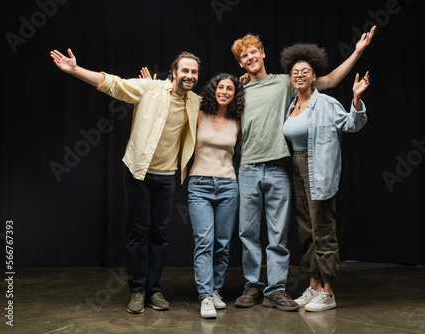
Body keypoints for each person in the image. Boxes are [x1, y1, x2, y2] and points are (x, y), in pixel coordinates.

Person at [230, 27, 375, 312]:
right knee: (282, 232)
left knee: (294, 233)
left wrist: (357, 52)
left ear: (263, 53)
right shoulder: (251, 90)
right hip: (266, 168)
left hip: (292, 167)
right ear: (240, 63)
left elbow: (332, 80)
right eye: (243, 56)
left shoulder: (289, 84)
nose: (250, 58)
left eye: (253, 52)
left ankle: (293, 290)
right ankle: (284, 286)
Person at [50, 48, 202, 314]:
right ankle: (137, 291)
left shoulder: (195, 101)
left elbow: (223, 101)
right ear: (174, 72)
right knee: (138, 233)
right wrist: (75, 69)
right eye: (185, 70)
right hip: (138, 173)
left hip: (167, 178)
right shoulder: (149, 89)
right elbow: (112, 84)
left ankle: (154, 290)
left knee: (159, 235)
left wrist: (244, 82)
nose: (189, 75)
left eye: (194, 72)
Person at [280, 43, 369, 311]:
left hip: (317, 167)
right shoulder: (292, 104)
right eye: (295, 72)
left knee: (322, 230)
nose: (299, 75)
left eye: (305, 71)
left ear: (314, 76)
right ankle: (314, 285)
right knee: (306, 231)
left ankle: (328, 292)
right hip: (295, 168)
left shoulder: (326, 103)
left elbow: (352, 124)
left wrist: (356, 99)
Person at [188, 73, 244, 318]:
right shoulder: (200, 115)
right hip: (199, 185)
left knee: (222, 244)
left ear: (235, 94)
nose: (224, 91)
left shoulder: (238, 121)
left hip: (229, 186)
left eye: (229, 88)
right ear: (213, 90)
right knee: (204, 242)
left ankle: (215, 289)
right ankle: (205, 297)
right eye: (220, 87)